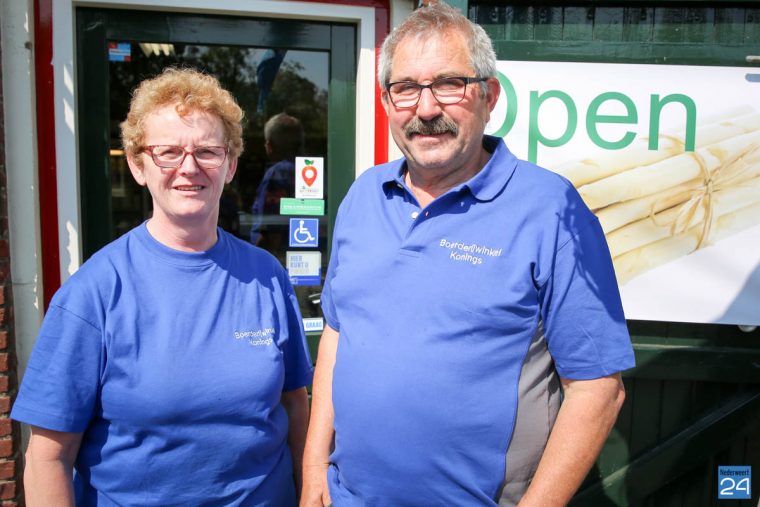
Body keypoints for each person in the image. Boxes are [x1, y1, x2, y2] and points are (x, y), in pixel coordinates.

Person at [301, 3, 635, 506]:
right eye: (406, 88)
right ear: (388, 101)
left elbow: (598, 390)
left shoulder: (551, 210)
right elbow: (337, 333)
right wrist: (311, 473)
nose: (426, 108)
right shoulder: (363, 196)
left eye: (449, 84)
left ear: (489, 96)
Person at [12, 68, 313, 506]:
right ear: (138, 165)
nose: (189, 167)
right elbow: (47, 459)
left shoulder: (266, 276)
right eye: (168, 152)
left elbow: (294, 407)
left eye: (207, 151)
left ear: (229, 165)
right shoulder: (93, 295)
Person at [249, 112, 304, 255]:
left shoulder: (277, 174)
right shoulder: (310, 170)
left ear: (270, 145)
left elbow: (271, 230)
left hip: (278, 259)